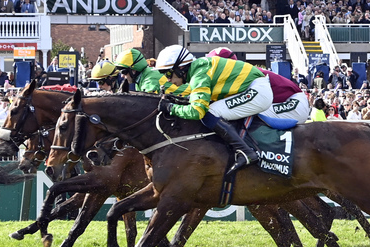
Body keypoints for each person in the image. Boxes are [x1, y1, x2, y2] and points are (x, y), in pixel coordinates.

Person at [154, 45, 271, 175]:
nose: (168, 79)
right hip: (255, 88)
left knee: (209, 113)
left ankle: (246, 152)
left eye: (169, 73)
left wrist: (170, 108)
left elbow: (197, 111)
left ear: (181, 68)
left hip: (257, 91)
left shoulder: (199, 73)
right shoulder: (199, 68)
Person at [114, 48, 190, 95]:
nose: (122, 76)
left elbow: (147, 105)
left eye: (123, 72)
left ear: (133, 69)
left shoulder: (150, 80)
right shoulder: (141, 79)